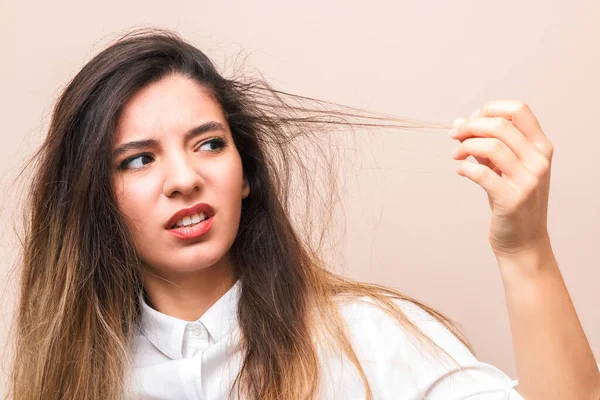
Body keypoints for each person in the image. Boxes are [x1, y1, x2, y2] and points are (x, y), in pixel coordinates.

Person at [7, 27, 599, 400]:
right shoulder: (74, 381)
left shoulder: (369, 339)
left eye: (209, 144)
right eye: (138, 160)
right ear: (93, 202)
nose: (185, 178)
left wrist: (526, 252)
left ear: (247, 176)